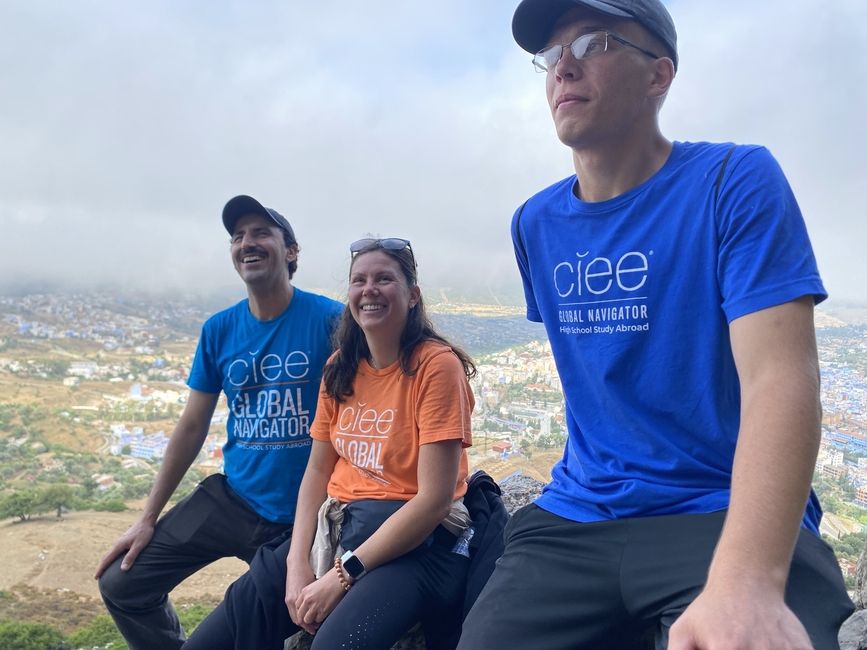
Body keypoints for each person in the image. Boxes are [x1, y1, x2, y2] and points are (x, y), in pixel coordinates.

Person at [457, 1, 854, 649]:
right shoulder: (534, 224)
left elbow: (782, 375)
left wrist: (746, 579)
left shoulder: (733, 180)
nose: (564, 67)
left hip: (719, 510)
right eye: (551, 56)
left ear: (658, 75)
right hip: (574, 518)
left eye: (592, 43)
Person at [183, 237, 477, 650]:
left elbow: (432, 501)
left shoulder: (435, 366)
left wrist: (341, 575)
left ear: (412, 296)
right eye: (359, 280)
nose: (369, 289)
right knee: (212, 640)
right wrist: (296, 563)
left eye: (383, 279)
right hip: (340, 525)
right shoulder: (340, 367)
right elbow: (318, 470)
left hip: (414, 544)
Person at [94, 195, 343, 650]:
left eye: (261, 233)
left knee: (266, 626)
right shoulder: (219, 329)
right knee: (121, 584)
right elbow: (192, 426)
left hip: (300, 515)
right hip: (233, 497)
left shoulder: (329, 320)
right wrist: (147, 518)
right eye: (237, 236)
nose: (247, 242)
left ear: (291, 252)